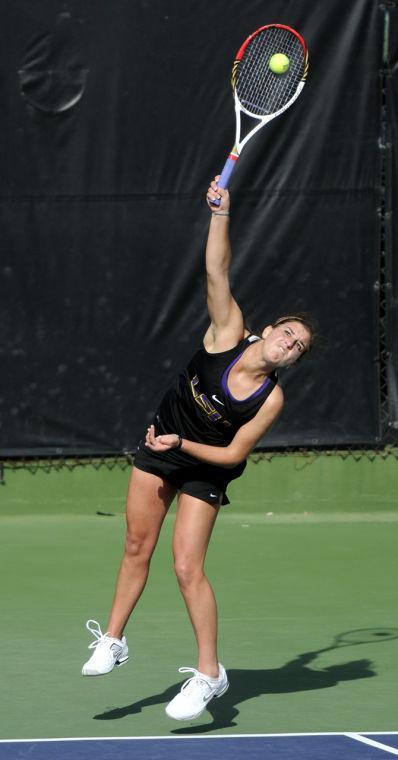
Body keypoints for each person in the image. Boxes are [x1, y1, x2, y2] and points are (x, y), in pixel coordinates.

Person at [82, 176, 314, 722]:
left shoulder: (270, 399)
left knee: (187, 566)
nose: (289, 344)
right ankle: (113, 639)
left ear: (292, 362)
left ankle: (210, 674)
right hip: (162, 445)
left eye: (298, 347)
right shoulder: (227, 332)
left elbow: (233, 456)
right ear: (267, 331)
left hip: (205, 462)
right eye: (287, 333)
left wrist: (183, 441)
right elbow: (216, 269)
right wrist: (220, 213)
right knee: (137, 544)